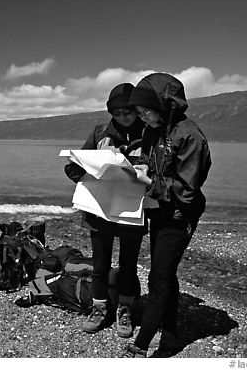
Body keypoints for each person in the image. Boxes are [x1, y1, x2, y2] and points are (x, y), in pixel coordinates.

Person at [122, 73, 212, 357]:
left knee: (158, 276)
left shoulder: (190, 136)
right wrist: (128, 163)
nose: (142, 118)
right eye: (139, 113)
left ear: (165, 105)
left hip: (180, 215)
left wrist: (148, 182)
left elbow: (187, 190)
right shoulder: (152, 130)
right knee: (165, 273)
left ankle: (143, 341)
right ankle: (170, 331)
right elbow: (151, 163)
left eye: (145, 111)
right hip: (158, 210)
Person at [64, 83, 147, 337]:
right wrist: (82, 170)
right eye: (117, 113)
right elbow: (73, 167)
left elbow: (157, 169)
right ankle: (99, 308)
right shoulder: (100, 133)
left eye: (128, 112)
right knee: (100, 265)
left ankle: (125, 309)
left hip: (132, 208)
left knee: (129, 263)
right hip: (99, 208)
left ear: (137, 110)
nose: (123, 117)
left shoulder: (149, 134)